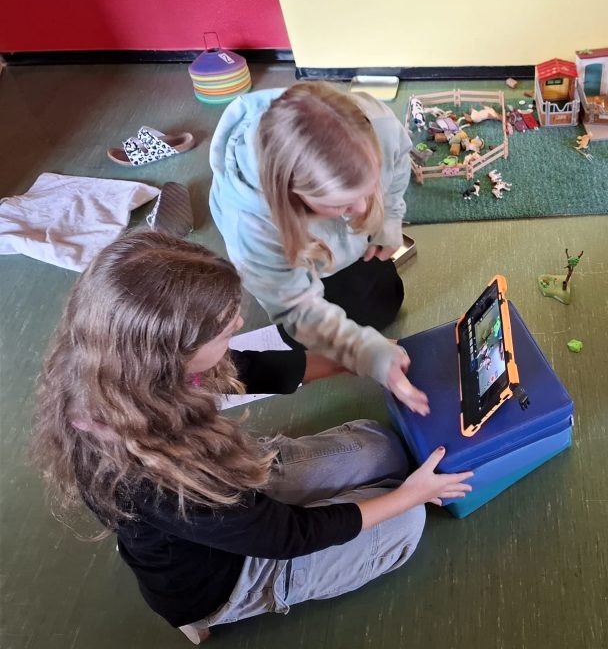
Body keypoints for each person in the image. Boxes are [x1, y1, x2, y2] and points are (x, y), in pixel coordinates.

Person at [32, 231, 471, 643]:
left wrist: (357, 357)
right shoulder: (157, 476)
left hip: (225, 495)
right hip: (220, 573)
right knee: (406, 524)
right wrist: (409, 497)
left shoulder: (125, 366)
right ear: (173, 351)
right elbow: (288, 537)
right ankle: (211, 617)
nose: (241, 321)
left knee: (381, 447)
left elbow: (249, 368)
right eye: (225, 329)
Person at [208, 82, 429, 415]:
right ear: (294, 195)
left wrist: (388, 221)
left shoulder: (377, 121)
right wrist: (367, 354)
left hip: (331, 241)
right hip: (292, 249)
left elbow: (397, 162)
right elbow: (296, 308)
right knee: (302, 337)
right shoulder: (251, 227)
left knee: (385, 303)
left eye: (369, 187)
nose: (361, 207)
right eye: (341, 203)